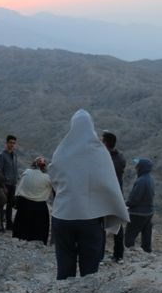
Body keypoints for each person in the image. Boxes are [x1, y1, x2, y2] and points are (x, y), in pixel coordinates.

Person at [49, 110, 129, 280]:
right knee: (90, 272)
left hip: (63, 216)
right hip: (90, 219)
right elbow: (108, 182)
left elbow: (54, 179)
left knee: (64, 267)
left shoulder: (61, 151)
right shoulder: (100, 153)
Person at [12, 157, 53, 244]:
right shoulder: (47, 178)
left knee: (21, 228)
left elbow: (20, 188)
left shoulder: (26, 172)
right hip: (39, 206)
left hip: (24, 204)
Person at [101, 130, 127, 261]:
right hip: (117, 195)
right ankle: (118, 255)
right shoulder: (120, 157)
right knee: (117, 225)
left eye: (102, 140)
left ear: (105, 143)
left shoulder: (105, 158)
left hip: (106, 196)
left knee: (100, 224)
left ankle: (99, 254)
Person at [124, 158, 155, 253]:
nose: (135, 167)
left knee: (129, 236)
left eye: (137, 166)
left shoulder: (141, 180)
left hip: (138, 213)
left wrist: (124, 204)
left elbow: (134, 199)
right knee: (146, 235)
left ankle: (129, 253)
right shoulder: (150, 178)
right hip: (148, 212)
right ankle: (147, 252)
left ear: (141, 168)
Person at [0, 135, 19, 231]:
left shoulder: (14, 155)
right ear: (6, 143)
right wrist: (3, 182)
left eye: (14, 143)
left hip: (13, 184)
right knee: (1, 205)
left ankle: (9, 224)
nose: (12, 145)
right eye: (10, 142)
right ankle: (0, 224)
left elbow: (15, 169)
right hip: (5, 184)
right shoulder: (1, 156)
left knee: (10, 205)